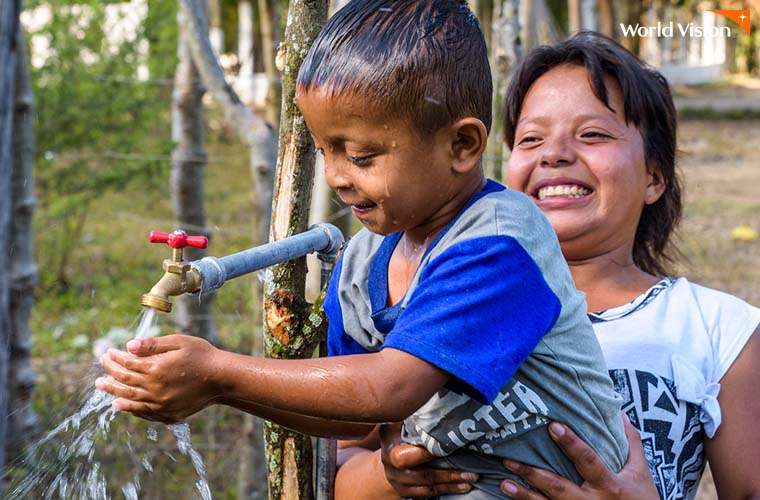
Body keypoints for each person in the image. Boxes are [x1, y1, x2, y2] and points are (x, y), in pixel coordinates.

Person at [97, 3, 630, 497]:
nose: (336, 178)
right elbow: (355, 420)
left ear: (462, 145)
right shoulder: (362, 261)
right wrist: (217, 390)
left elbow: (389, 389)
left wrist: (222, 372)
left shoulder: (498, 243)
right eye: (326, 150)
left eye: (361, 155)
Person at [336, 32, 760, 500]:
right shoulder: (422, 290)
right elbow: (337, 468)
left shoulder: (719, 330)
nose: (553, 153)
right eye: (531, 138)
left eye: (593, 134)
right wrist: (390, 474)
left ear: (654, 177)